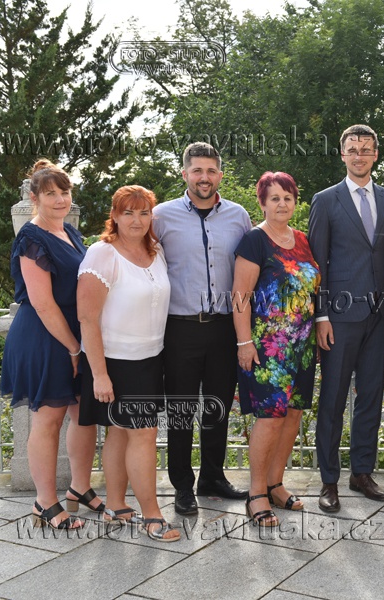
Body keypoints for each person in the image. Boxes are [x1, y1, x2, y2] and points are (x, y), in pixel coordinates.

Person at [0, 159, 102, 529]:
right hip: (44, 337)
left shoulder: (69, 231)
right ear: (34, 198)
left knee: (83, 414)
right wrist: (73, 348)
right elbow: (43, 303)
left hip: (75, 334)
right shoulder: (31, 238)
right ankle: (44, 502)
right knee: (49, 418)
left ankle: (79, 488)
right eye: (50, 194)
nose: (60, 199)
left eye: (64, 192)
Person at [153, 142, 252, 515]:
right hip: (180, 329)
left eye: (211, 171)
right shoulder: (161, 216)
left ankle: (212, 477)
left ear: (220, 175)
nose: (204, 178)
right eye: (197, 170)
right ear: (184, 174)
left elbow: (250, 269)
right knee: (180, 409)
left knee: (218, 408)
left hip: (224, 328)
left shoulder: (239, 216)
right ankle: (182, 485)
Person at [308, 124, 384, 512]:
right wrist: (321, 315)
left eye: (366, 149)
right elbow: (317, 263)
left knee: (371, 398)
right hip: (339, 317)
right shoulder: (325, 200)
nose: (359, 155)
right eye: (352, 149)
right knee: (332, 399)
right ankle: (329, 480)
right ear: (342, 154)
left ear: (375, 154)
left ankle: (362, 473)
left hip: (380, 317)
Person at [77, 185, 179, 542]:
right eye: (128, 213)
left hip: (150, 358)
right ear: (115, 216)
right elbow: (87, 318)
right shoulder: (101, 254)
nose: (137, 220)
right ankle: (152, 515)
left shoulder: (156, 250)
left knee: (120, 432)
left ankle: (116, 506)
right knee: (144, 435)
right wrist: (100, 374)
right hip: (115, 362)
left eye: (144, 212)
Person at [233, 172, 320, 527]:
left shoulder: (303, 241)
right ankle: (256, 493)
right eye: (274, 198)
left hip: (302, 346)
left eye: (288, 197)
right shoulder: (254, 240)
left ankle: (275, 483)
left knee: (293, 415)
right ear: (263, 203)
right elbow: (240, 296)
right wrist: (244, 343)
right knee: (269, 418)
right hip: (268, 347)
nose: (282, 204)